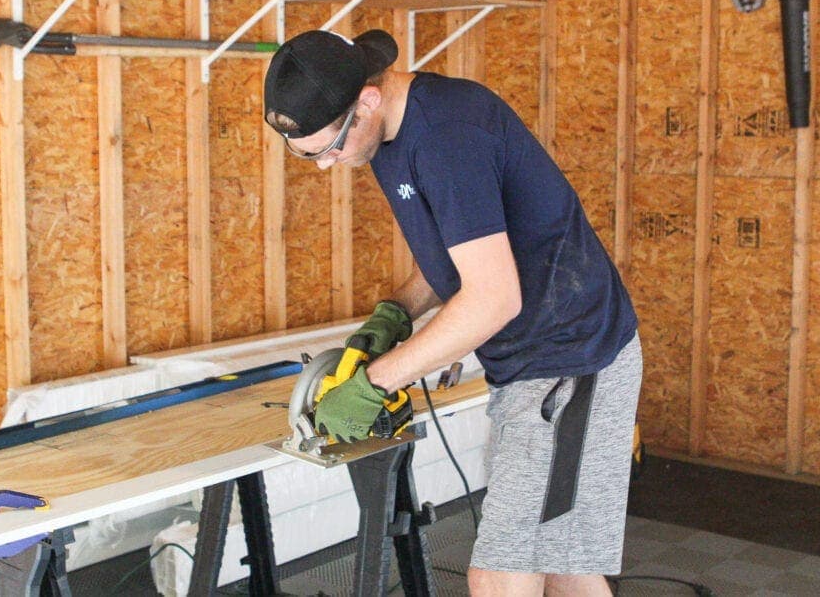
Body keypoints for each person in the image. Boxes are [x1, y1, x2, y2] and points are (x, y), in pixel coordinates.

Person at [262, 29, 642, 597]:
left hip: (571, 364)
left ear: (365, 100)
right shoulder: (392, 132)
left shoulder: (446, 138)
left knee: (498, 573)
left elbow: (494, 298)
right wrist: (396, 311)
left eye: (328, 149)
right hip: (539, 364)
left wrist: (372, 384)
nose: (327, 166)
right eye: (310, 156)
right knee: (564, 567)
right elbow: (458, 251)